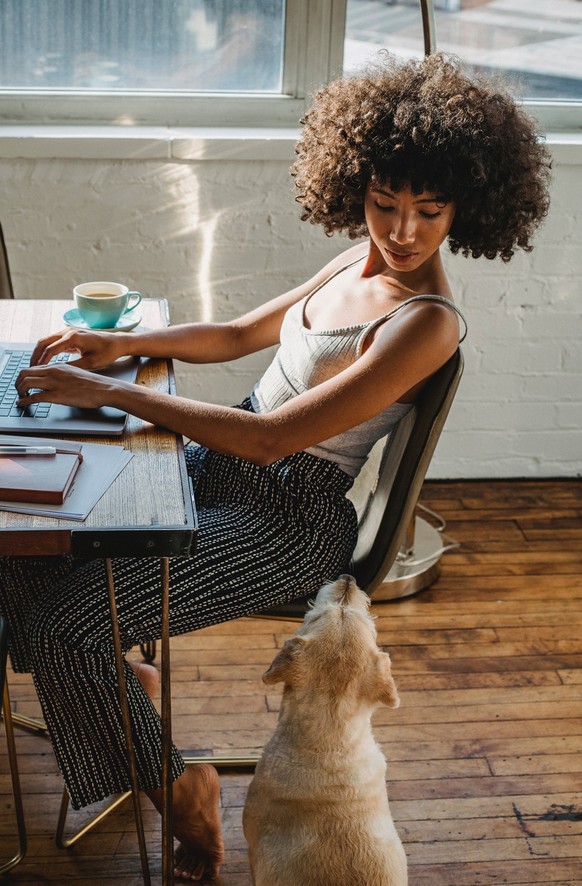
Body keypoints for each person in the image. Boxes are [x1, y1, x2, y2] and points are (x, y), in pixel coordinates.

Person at [1, 52, 550, 881]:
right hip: (222, 471)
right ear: (355, 189)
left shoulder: (426, 322)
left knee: (67, 625)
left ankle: (180, 787)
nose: (401, 232)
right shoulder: (349, 262)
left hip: (288, 519)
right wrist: (118, 346)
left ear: (465, 210)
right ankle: (127, 691)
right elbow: (233, 337)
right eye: (383, 204)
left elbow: (271, 440)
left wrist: (99, 388)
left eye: (428, 212)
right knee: (26, 543)